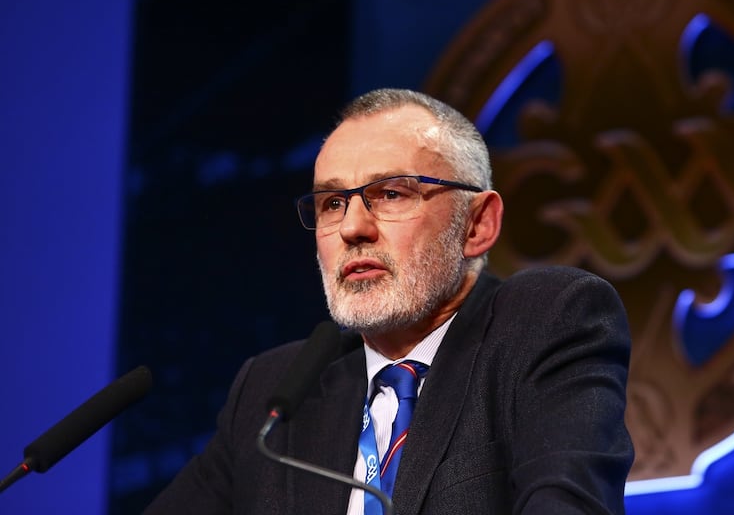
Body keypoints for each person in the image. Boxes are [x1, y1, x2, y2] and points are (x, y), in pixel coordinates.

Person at [144, 88, 634, 514]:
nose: (353, 228)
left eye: (392, 194)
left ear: (477, 224)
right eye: (332, 203)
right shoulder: (275, 395)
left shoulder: (544, 325)